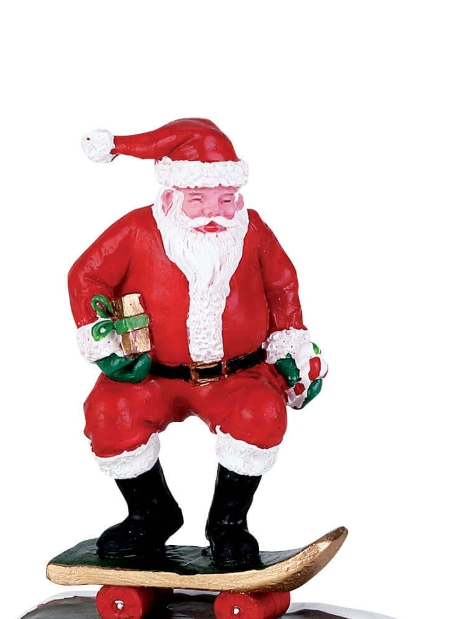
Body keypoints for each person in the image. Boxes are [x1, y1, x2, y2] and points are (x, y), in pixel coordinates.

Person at [68, 119, 327, 568]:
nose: (213, 213)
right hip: (152, 375)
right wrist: (105, 338)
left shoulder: (253, 232)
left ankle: (228, 524)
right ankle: (150, 513)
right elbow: (86, 274)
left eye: (225, 200)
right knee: (110, 413)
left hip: (236, 375)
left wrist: (291, 347)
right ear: (171, 197)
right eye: (198, 201)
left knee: (260, 414)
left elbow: (282, 285)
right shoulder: (137, 230)